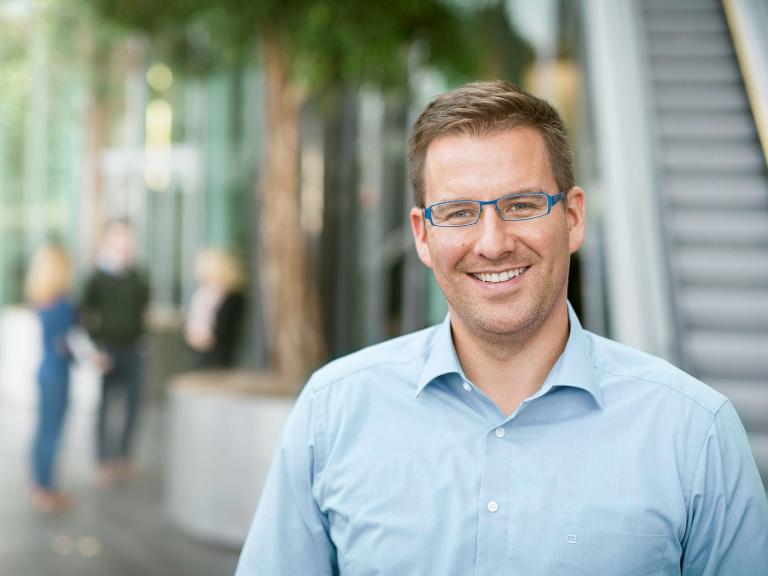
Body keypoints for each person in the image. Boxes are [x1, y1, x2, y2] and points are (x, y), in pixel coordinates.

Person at [235, 81, 768, 575]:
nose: (492, 242)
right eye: (460, 213)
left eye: (522, 205)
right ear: (423, 235)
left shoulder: (694, 432)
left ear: (573, 217)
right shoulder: (333, 413)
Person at [80, 219, 149, 485]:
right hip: (107, 351)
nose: (125, 244)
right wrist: (95, 345)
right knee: (105, 405)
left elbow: (142, 310)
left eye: (128, 238)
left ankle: (124, 455)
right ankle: (102, 460)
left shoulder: (138, 278)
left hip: (134, 349)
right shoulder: (96, 279)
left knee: (133, 404)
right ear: (109, 241)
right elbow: (85, 314)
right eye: (120, 238)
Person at [25, 245, 77, 512]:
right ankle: (46, 489)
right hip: (57, 372)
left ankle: (40, 485)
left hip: (45, 369)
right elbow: (65, 343)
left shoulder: (41, 298)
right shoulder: (61, 303)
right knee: (52, 433)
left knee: (43, 430)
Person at [183, 248, 245, 369]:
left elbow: (223, 331)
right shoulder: (203, 293)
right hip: (199, 352)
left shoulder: (231, 299)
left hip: (218, 358)